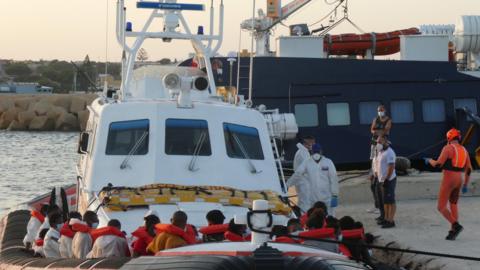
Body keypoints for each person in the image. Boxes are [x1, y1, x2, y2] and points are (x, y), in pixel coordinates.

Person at [425, 128, 472, 240]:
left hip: (449, 179)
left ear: (449, 138)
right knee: (453, 205)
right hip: (459, 179)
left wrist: (429, 160)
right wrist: (465, 184)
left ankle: (456, 225)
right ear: (458, 138)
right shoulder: (464, 150)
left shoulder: (448, 148)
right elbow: (469, 169)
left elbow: (438, 164)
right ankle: (452, 232)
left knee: (441, 207)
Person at [289, 144, 339, 216]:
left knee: (330, 217)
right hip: (313, 199)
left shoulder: (328, 162)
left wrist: (335, 195)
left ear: (321, 152)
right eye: (315, 152)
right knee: (316, 217)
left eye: (317, 152)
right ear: (311, 152)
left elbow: (334, 178)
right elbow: (298, 173)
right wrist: (288, 184)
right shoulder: (307, 162)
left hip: (327, 198)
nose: (316, 154)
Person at [375, 136, 397, 228]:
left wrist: (386, 179)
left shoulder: (389, 152)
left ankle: (391, 221)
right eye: (377, 142)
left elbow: (391, 167)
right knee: (385, 201)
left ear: (385, 141)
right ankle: (386, 218)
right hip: (382, 180)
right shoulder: (381, 152)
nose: (378, 144)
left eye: (379, 142)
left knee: (391, 201)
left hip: (389, 180)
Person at [291, 135, 316, 212]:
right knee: (305, 203)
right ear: (308, 143)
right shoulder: (303, 153)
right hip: (303, 182)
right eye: (313, 143)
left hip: (302, 181)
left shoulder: (303, 152)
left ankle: (302, 217)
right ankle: (304, 218)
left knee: (303, 201)